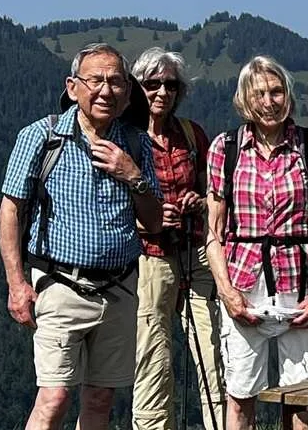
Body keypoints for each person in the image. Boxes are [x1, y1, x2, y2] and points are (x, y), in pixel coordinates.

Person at [0, 43, 165, 430]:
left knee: (101, 398)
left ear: (127, 92)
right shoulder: (42, 136)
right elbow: (10, 209)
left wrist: (132, 176)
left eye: (116, 82)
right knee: (53, 397)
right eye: (96, 80)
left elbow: (154, 224)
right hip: (59, 284)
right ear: (73, 87)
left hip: (120, 288)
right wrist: (16, 283)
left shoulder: (137, 144)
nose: (106, 90)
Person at [204, 55, 308, 430]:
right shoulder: (225, 148)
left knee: (304, 396)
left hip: (302, 282)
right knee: (240, 394)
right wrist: (226, 292)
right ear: (245, 99)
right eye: (259, 93)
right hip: (244, 285)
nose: (269, 101)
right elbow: (213, 233)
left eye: (277, 91)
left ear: (289, 96)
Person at [126, 48, 225, 430]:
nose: (162, 92)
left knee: (213, 351)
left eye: (170, 85)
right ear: (139, 88)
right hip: (150, 256)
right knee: (154, 357)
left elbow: (211, 191)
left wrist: (198, 201)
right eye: (152, 84)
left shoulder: (191, 134)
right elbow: (109, 203)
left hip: (195, 251)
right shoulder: (127, 139)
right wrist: (146, 220)